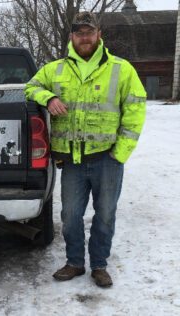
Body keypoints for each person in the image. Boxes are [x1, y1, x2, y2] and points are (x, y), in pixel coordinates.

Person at [25, 11, 146, 287]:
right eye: (79, 33)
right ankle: (75, 263)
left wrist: (121, 152)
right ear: (72, 37)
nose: (84, 38)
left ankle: (99, 265)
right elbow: (30, 87)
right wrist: (49, 96)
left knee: (105, 215)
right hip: (72, 162)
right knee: (69, 216)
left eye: (89, 32)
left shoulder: (121, 69)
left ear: (98, 35)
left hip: (108, 159)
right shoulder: (55, 69)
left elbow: (136, 109)